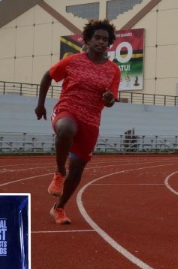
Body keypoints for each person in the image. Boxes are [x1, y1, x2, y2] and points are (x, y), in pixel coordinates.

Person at [36, 19, 121, 225]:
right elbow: (47, 77)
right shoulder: (72, 61)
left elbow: (111, 100)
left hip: (91, 120)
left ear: (109, 44)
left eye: (105, 39)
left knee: (77, 170)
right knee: (65, 129)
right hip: (68, 108)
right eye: (97, 38)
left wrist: (109, 99)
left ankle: (59, 208)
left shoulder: (113, 70)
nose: (101, 42)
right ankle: (59, 171)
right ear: (88, 40)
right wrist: (41, 105)